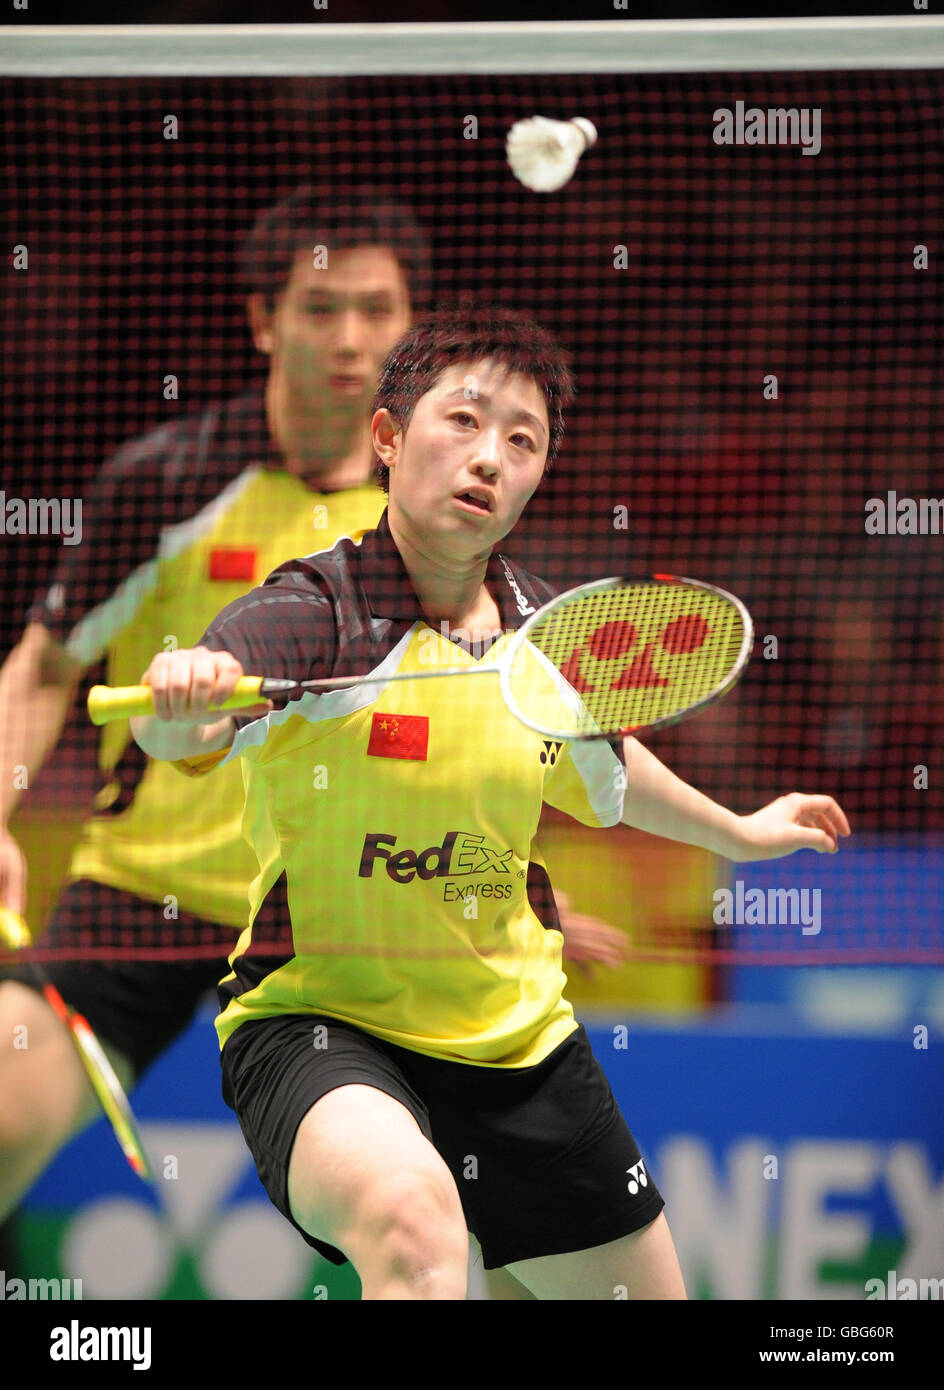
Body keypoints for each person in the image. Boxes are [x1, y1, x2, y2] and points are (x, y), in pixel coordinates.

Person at [130, 304, 851, 1300]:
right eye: (462, 421)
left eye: (522, 440)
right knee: (411, 1224)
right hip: (322, 1027)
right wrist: (181, 695)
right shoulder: (315, 610)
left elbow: (607, 774)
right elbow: (186, 731)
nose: (489, 457)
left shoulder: (543, 647)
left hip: (520, 1047)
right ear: (386, 437)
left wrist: (739, 829)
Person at [0, 192, 624, 1298]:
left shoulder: (462, 544)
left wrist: (514, 889)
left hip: (345, 921)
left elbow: (488, 738)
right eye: (319, 308)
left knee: (503, 1242)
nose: (348, 339)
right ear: (261, 320)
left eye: (377, 310)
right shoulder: (172, 482)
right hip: (146, 893)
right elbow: (46, 663)